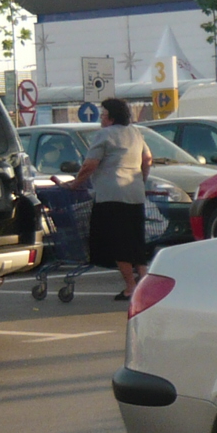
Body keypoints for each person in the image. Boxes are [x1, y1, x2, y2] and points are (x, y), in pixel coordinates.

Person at [66, 97, 152, 301]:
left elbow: (89, 165)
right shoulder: (135, 132)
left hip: (111, 196)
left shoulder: (104, 134)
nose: (101, 120)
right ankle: (144, 282)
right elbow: (147, 159)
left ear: (111, 118)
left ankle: (130, 287)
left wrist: (75, 184)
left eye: (103, 115)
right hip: (135, 194)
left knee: (117, 242)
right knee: (135, 241)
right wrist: (140, 179)